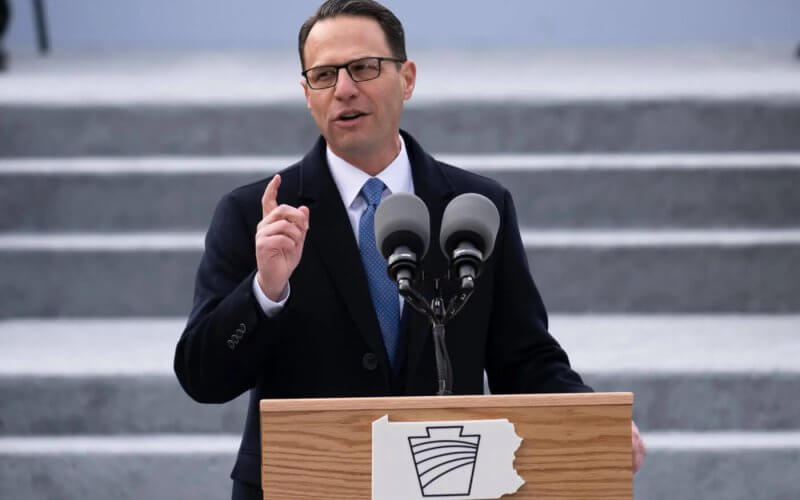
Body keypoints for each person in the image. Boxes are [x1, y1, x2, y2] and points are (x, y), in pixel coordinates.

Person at [174, 1, 646, 498]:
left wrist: (591, 418)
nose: (345, 89)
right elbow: (203, 379)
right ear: (307, 93)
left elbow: (524, 358)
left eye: (363, 67)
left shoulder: (477, 209)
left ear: (408, 78)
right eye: (324, 74)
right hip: (303, 483)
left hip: (445, 481)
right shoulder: (258, 215)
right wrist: (264, 292)